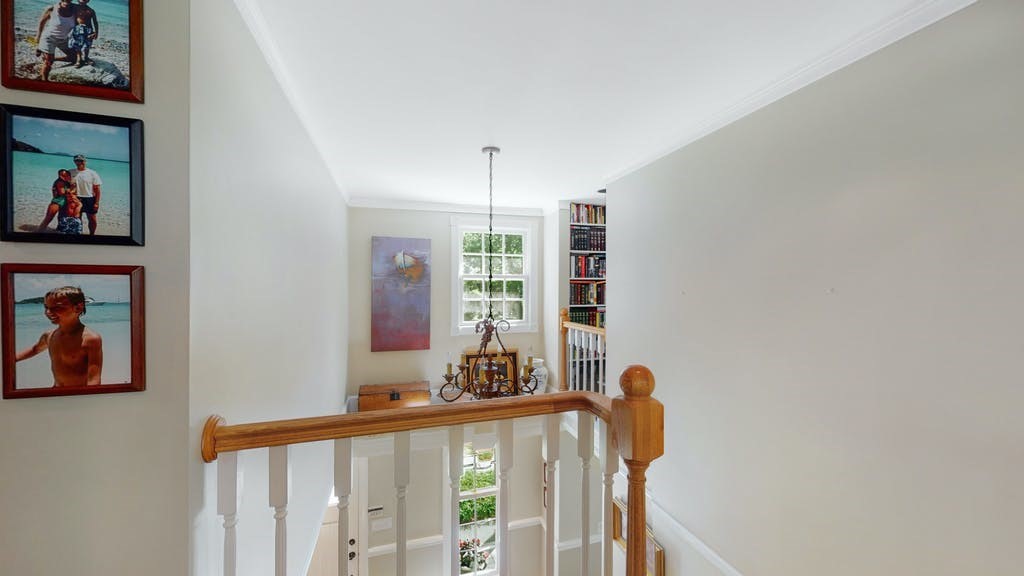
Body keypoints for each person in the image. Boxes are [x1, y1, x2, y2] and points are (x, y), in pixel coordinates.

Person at [16, 286, 103, 387]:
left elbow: (94, 379)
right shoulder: (49, 336)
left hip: (78, 397)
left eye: (57, 307)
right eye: (46, 307)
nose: (48, 312)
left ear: (78, 308)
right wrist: (11, 360)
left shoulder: (90, 339)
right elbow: (35, 349)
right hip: (56, 392)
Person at [34, 0, 78, 82]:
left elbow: (87, 15)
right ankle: (44, 81)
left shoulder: (75, 9)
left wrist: (93, 32)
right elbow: (42, 22)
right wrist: (38, 37)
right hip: (49, 38)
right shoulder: (51, 8)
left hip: (64, 39)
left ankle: (50, 57)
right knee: (48, 63)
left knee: (74, 58)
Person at [71, 154, 102, 235]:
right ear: (74, 161)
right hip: (76, 198)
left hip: (89, 198)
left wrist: (97, 203)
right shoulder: (70, 172)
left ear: (85, 161)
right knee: (77, 218)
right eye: (77, 160)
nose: (79, 162)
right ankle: (79, 233)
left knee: (92, 219)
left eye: (81, 160)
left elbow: (97, 189)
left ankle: (92, 235)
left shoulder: (92, 173)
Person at [74, 0, 99, 65]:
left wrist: (96, 32)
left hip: (89, 30)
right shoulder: (74, 7)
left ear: (88, 1)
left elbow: (95, 22)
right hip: (78, 29)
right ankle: (79, 58)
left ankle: (86, 57)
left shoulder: (90, 10)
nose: (82, 0)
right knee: (78, 44)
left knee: (87, 45)